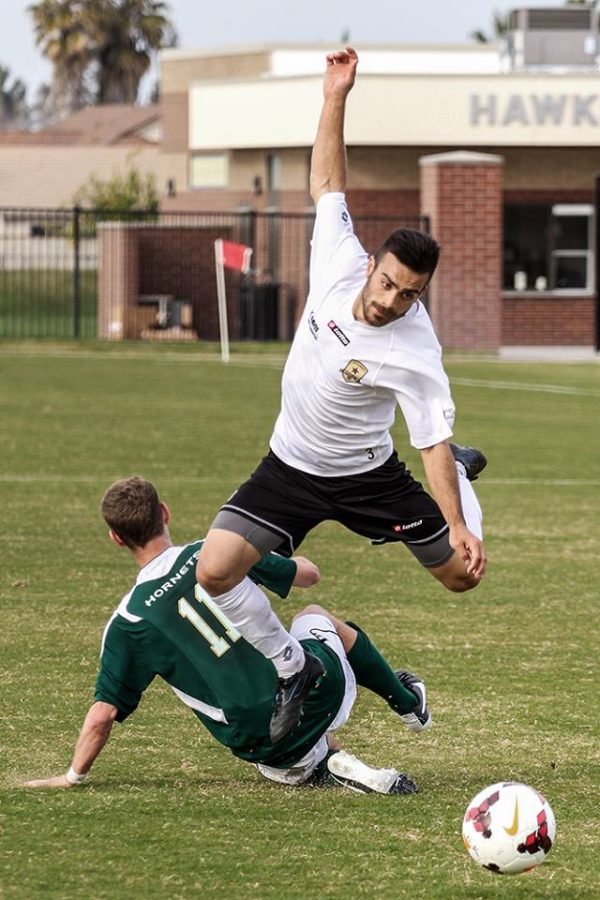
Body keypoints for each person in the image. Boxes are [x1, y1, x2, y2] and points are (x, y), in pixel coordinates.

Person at [194, 47, 488, 743]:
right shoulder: (338, 257)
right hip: (290, 466)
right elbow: (328, 179)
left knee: (461, 578)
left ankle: (469, 493)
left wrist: (458, 523)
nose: (390, 300)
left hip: (367, 478)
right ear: (374, 265)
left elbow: (431, 440)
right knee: (214, 571)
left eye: (409, 293)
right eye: (387, 283)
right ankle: (291, 666)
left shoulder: (415, 350)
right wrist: (334, 96)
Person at [20, 476, 429, 795]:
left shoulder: (128, 621)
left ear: (116, 538)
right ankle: (408, 704)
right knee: (314, 615)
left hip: (258, 738)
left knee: (277, 734)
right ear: (164, 512)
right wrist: (273, 554)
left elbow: (102, 715)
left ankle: (324, 763)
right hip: (317, 692)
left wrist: (72, 776)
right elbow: (310, 575)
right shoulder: (213, 553)